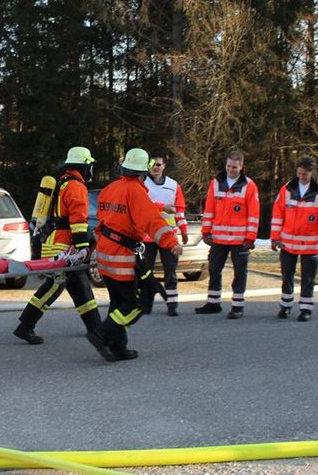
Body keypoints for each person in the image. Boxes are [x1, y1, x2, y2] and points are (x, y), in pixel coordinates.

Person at [86, 148, 183, 362]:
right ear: (143, 171)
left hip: (105, 253)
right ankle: (102, 334)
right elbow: (151, 221)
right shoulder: (137, 192)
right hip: (122, 256)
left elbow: (104, 217)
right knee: (136, 303)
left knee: (118, 301)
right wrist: (171, 243)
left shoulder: (110, 188)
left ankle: (118, 347)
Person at [12, 147, 101, 344]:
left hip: (55, 242)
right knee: (55, 286)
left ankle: (95, 328)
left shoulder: (62, 182)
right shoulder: (76, 186)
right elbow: (78, 221)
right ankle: (25, 326)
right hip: (64, 246)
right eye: (90, 166)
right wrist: (83, 248)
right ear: (84, 166)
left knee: (80, 287)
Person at [195, 150, 260, 319]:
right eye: (229, 166)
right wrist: (206, 232)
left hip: (240, 240)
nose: (231, 170)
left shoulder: (249, 186)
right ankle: (213, 303)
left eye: (235, 167)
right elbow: (209, 210)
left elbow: (254, 215)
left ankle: (237, 306)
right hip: (218, 237)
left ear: (241, 167)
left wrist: (250, 238)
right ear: (226, 165)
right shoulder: (216, 183)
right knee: (214, 269)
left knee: (240, 272)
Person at [270, 156, 318, 322]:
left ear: (311, 173)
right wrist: (274, 237)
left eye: (304, 174)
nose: (301, 177)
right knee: (287, 276)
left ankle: (306, 308)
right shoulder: (287, 189)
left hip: (310, 245)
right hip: (287, 243)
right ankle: (285, 305)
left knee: (308, 279)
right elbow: (277, 215)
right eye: (299, 173)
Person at [142, 150, 188, 316]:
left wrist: (184, 230)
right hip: (147, 236)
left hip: (168, 235)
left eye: (158, 164)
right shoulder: (142, 184)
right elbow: (143, 206)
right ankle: (146, 304)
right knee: (146, 271)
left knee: (171, 270)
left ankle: (172, 304)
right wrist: (162, 207)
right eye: (152, 164)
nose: (155, 167)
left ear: (164, 166)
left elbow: (179, 211)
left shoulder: (174, 185)